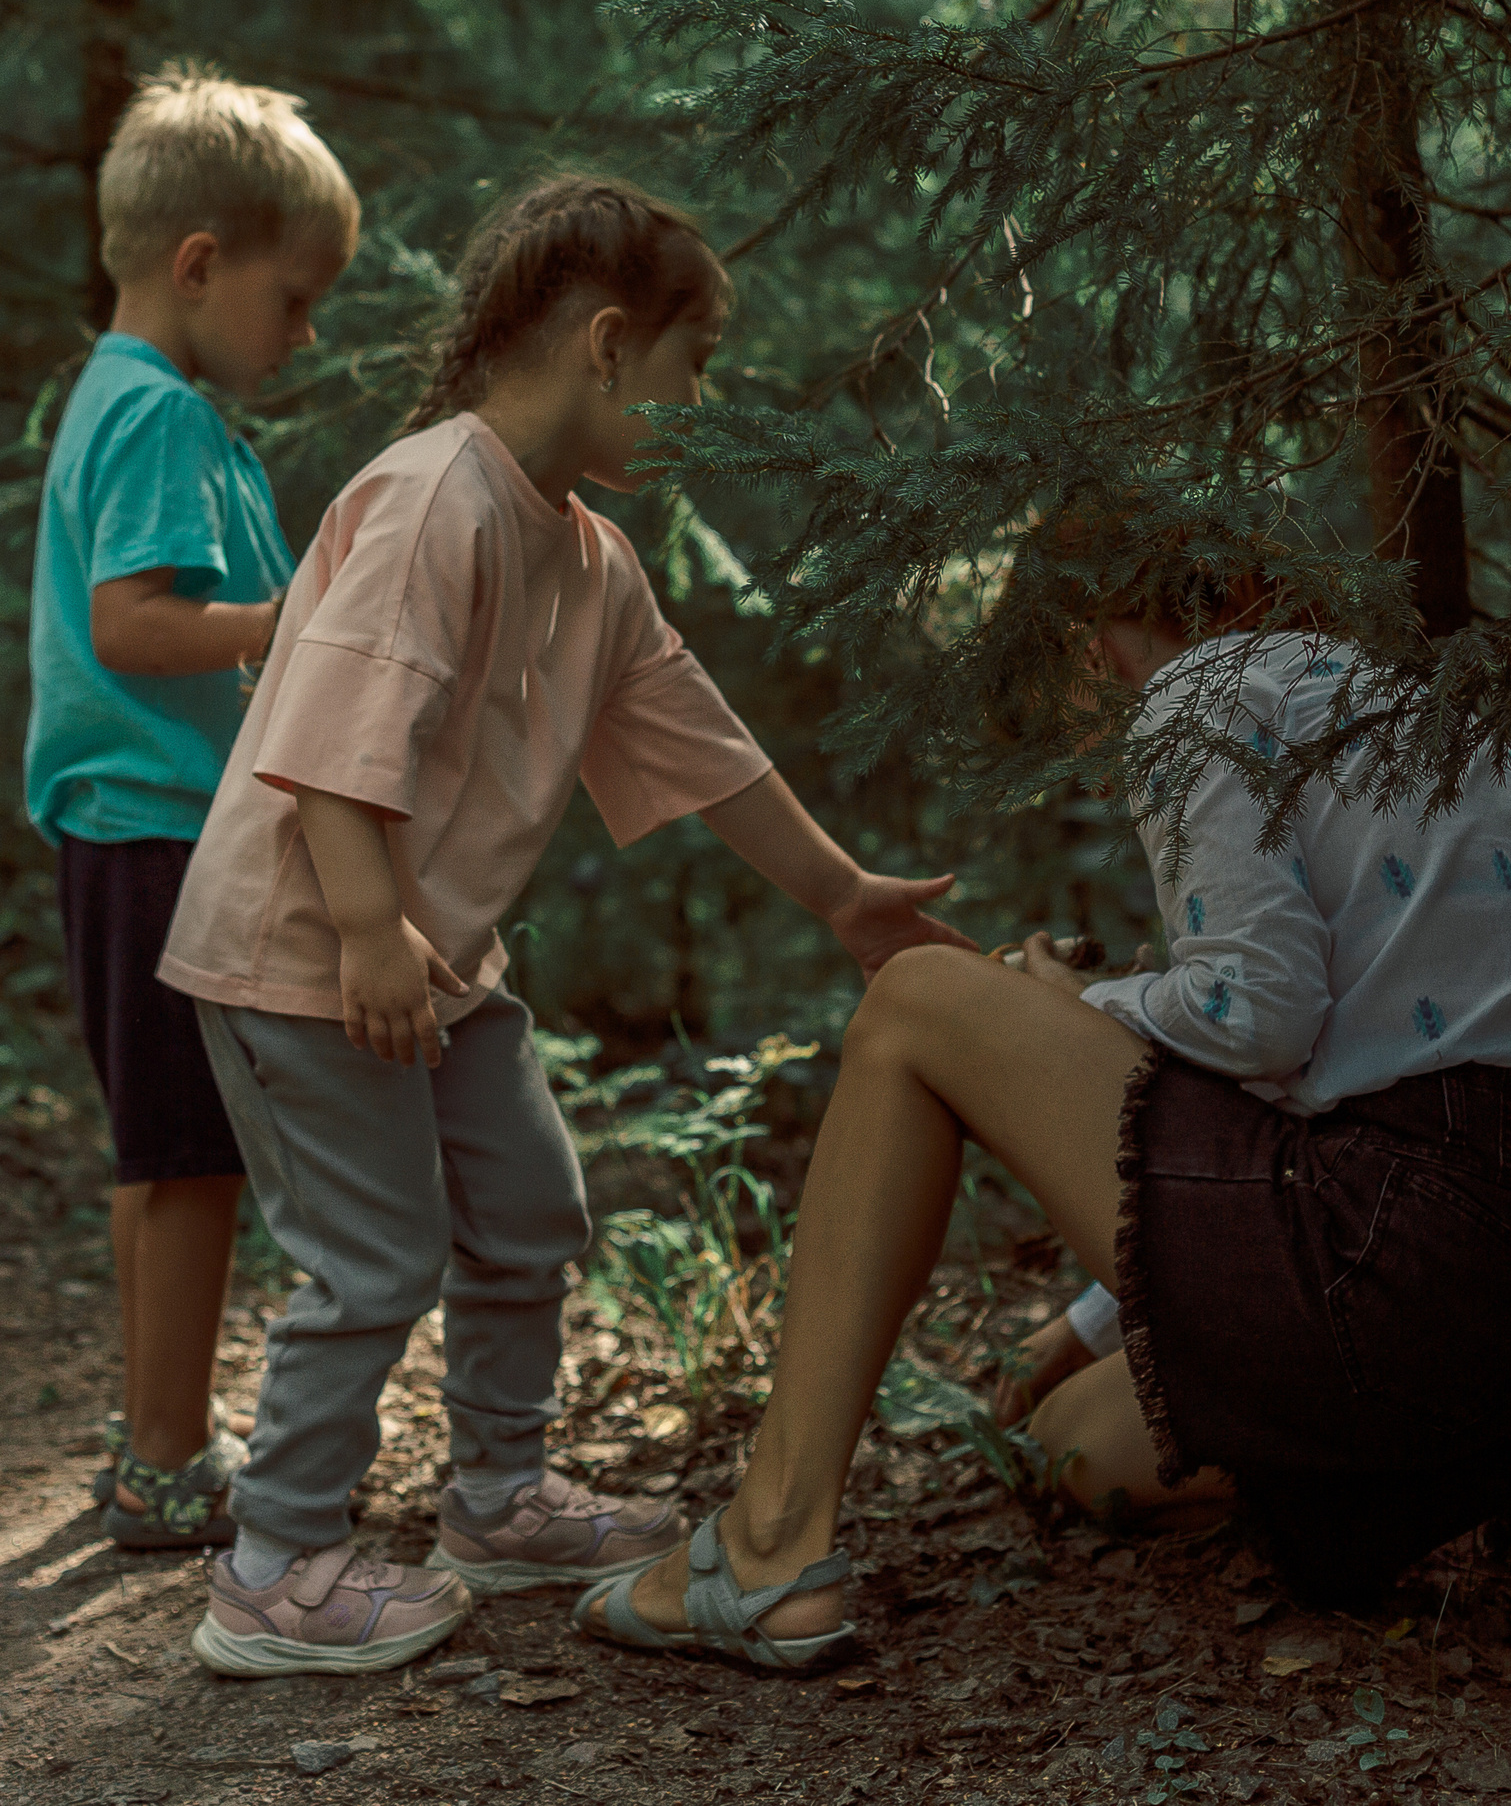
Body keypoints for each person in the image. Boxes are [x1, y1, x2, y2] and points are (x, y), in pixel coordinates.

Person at [571, 544, 1511, 1670]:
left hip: (1417, 1262)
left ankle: (766, 1546)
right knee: (1079, 1443)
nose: (1102, 770)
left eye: (1076, 731)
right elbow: (1335, 1091)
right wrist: (1085, 1326)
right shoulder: (1404, 710)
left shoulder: (1196, 692)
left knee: (914, 999)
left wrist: (1077, 1002)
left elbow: (1258, 1018)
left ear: (1081, 641)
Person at [154, 176, 971, 1677]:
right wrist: (368, 929)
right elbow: (329, 738)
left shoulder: (589, 557)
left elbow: (703, 743)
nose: (698, 401)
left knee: (529, 1200)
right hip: (303, 953)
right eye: (691, 364)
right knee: (375, 1258)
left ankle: (497, 1495)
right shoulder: (431, 499)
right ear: (607, 344)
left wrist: (841, 891)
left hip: (437, 965)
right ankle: (273, 1566)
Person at [24, 70, 359, 1550]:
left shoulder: (130, 397)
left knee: (156, 1148)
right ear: (201, 263)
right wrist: (283, 623)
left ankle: (154, 1427)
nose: (307, 332)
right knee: (191, 1152)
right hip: (156, 829)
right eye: (296, 299)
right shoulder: (159, 414)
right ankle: (166, 1462)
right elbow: (131, 623)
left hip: (127, 829)